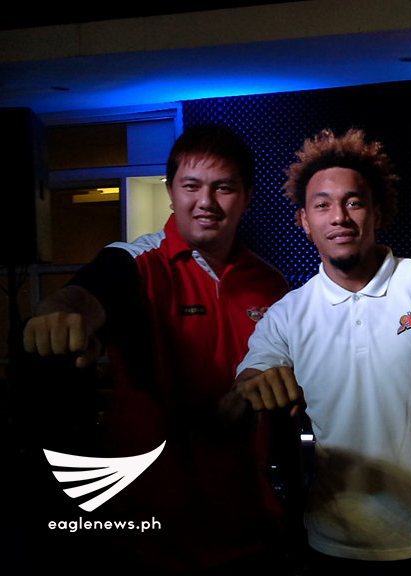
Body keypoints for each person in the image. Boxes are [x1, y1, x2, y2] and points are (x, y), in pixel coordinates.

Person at [222, 128, 411, 575]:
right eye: (322, 205)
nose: (339, 217)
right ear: (304, 221)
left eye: (353, 201)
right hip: (333, 544)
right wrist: (254, 387)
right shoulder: (286, 316)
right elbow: (243, 391)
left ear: (378, 211)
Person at [23, 124, 291, 573]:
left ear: (245, 196)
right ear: (170, 192)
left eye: (223, 188)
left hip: (248, 521)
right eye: (191, 186)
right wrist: (57, 311)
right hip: (152, 532)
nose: (205, 202)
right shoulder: (137, 261)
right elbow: (87, 293)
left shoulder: (271, 282)